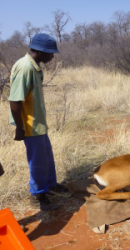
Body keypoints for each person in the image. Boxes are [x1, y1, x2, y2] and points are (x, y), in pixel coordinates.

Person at [8, 33, 67, 211]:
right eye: (50, 53)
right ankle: (37, 195)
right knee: (37, 162)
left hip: (38, 123)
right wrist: (19, 128)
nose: (52, 57)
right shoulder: (25, 68)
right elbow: (14, 101)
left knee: (47, 156)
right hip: (29, 125)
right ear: (41, 52)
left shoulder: (34, 67)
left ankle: (50, 186)